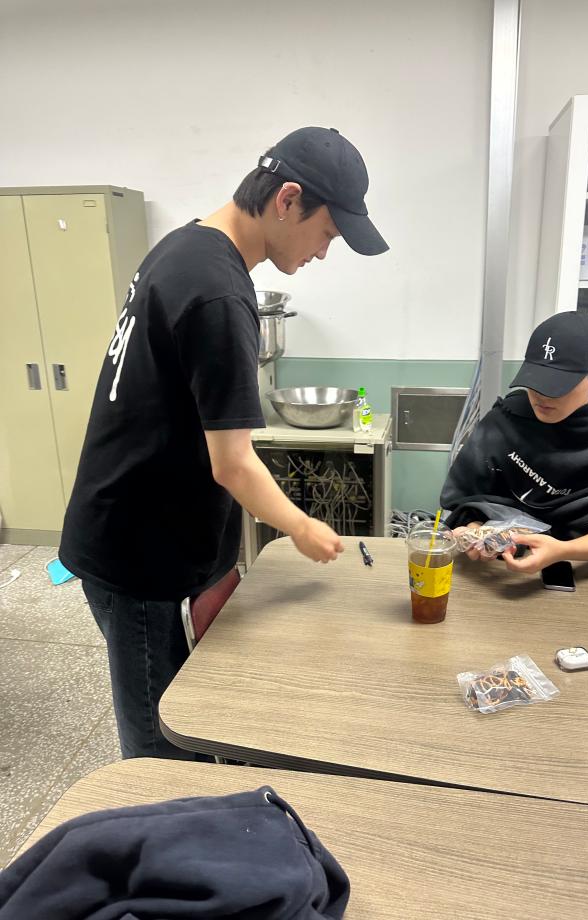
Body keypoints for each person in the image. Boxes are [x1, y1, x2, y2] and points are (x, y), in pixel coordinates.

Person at [59, 126, 389, 759]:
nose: (324, 253)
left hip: (139, 526)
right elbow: (233, 465)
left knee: (192, 703)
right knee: (162, 741)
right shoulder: (218, 292)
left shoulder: (186, 245)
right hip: (137, 553)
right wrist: (302, 527)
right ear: (287, 200)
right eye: (327, 233)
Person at [441, 311, 588, 574]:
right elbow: (467, 497)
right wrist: (475, 532)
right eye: (534, 382)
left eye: (558, 386)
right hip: (503, 564)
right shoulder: (508, 417)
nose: (540, 396)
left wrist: (563, 550)